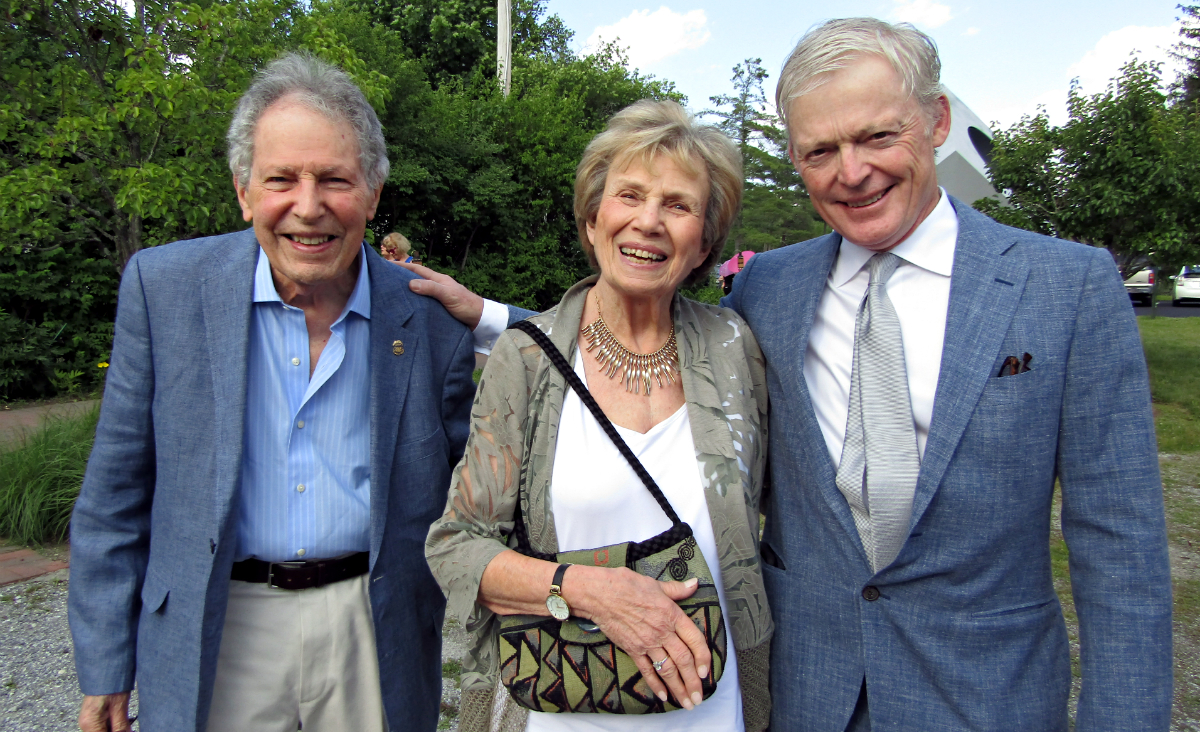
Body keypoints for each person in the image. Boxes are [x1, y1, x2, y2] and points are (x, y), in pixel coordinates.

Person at [405, 18, 1174, 732]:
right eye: (820, 151)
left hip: (985, 696)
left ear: (936, 123)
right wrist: (494, 319)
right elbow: (601, 334)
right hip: (807, 695)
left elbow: (1122, 549)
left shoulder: (1065, 287)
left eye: (879, 135)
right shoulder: (771, 292)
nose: (853, 172)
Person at [67, 53, 475, 732]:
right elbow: (113, 499)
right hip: (219, 622)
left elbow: (562, 357)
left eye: (335, 180)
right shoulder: (163, 290)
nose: (307, 207)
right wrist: (106, 665)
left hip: (370, 626)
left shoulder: (434, 317)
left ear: (373, 194)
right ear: (244, 190)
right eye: (281, 179)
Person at [424, 100, 774, 732]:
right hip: (561, 708)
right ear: (592, 220)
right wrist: (587, 590)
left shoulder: (734, 349)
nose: (648, 222)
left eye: (678, 205)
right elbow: (454, 548)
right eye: (629, 196)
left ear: (705, 243)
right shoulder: (526, 360)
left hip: (713, 711)